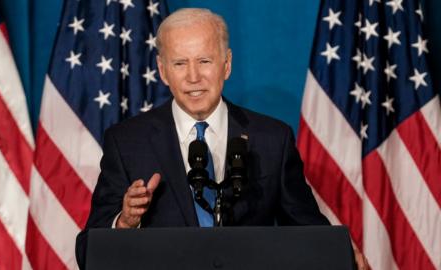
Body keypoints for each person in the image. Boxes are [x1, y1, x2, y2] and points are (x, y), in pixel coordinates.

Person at [75, 8, 368, 270]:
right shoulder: (127, 143)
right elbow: (88, 250)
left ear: (226, 65)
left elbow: (308, 231)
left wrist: (341, 251)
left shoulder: (271, 139)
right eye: (179, 64)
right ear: (163, 71)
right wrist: (125, 222)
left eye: (204, 61)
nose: (193, 77)